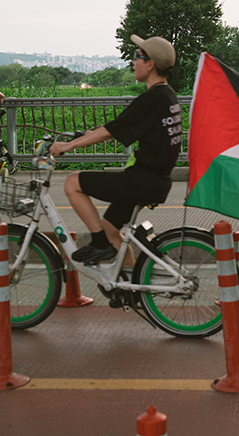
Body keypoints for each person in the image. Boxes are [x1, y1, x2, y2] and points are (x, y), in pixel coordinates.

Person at [50, 35, 182, 264]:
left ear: (150, 64)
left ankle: (99, 244)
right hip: (153, 180)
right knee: (111, 230)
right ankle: (130, 288)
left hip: (141, 181)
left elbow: (111, 131)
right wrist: (88, 135)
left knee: (72, 182)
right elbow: (118, 126)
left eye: (136, 57)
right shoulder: (166, 96)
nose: (133, 62)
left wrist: (67, 146)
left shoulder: (152, 100)